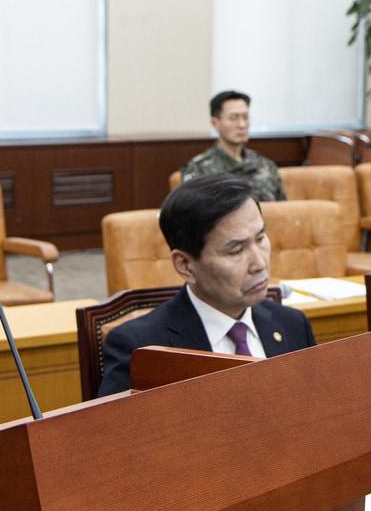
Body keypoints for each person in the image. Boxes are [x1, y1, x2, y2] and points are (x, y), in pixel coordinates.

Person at [97, 174, 314, 396]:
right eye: (236, 250)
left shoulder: (293, 324)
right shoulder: (142, 349)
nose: (259, 263)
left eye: (260, 239)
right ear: (185, 265)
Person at [180, 91, 287, 201]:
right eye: (233, 118)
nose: (242, 125)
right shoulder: (197, 169)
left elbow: (283, 207)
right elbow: (190, 209)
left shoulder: (266, 164)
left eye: (245, 117)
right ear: (215, 123)